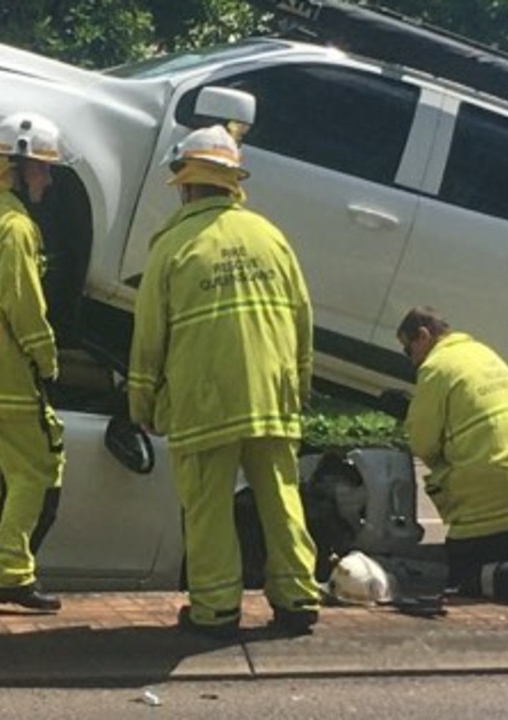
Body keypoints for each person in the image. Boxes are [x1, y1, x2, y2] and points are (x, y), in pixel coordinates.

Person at [128, 124, 322, 637]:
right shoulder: (271, 236)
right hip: (270, 394)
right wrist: (299, 383)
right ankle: (298, 599)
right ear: (232, 182)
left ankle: (215, 610)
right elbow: (302, 317)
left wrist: (141, 400)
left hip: (204, 398)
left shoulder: (172, 246)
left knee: (208, 507)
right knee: (281, 497)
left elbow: (149, 336)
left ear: (187, 185)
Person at [0, 112, 67, 612]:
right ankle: (13, 573)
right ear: (17, 167)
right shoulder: (18, 227)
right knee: (35, 470)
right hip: (11, 366)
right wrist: (46, 359)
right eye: (41, 168)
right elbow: (25, 304)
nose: (47, 178)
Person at [399, 306, 508, 602]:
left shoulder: (436, 368)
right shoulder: (482, 353)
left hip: (483, 498)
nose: (409, 359)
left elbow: (422, 443)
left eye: (407, 349)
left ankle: (487, 579)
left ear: (423, 336)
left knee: (466, 577)